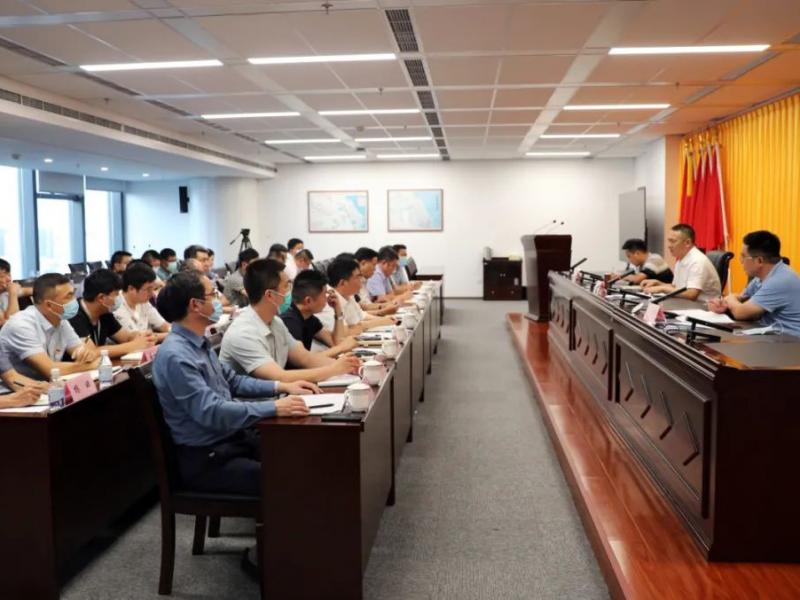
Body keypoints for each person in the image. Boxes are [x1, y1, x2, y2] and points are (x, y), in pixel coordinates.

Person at [152, 270, 315, 496]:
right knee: (291, 476)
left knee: (304, 453)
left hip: (232, 439)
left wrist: (281, 386)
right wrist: (274, 407)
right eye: (212, 294)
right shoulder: (176, 356)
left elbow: (233, 381)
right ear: (195, 305)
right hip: (208, 457)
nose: (218, 300)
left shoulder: (198, 342)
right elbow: (212, 411)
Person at [220, 259, 360, 383]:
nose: (290, 291)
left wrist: (348, 365)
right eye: (286, 286)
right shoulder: (243, 332)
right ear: (270, 295)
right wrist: (334, 369)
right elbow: (279, 377)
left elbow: (305, 359)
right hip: (254, 402)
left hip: (279, 396)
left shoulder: (276, 322)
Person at [0, 273, 99, 379]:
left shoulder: (61, 320)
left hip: (46, 384)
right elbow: (50, 370)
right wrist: (89, 365)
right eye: (69, 296)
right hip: (16, 387)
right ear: (49, 305)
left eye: (73, 294)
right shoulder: (21, 325)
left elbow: (84, 353)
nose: (75, 300)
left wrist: (87, 355)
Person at [708, 231, 800, 335]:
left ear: (759, 261)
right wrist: (722, 304)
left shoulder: (780, 281)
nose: (741, 261)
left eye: (743, 256)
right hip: (771, 333)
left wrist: (730, 298)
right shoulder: (762, 277)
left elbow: (740, 312)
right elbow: (742, 298)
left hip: (791, 340)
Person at [69, 269, 157, 357]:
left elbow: (125, 337)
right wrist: (133, 345)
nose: (119, 298)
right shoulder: (75, 315)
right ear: (101, 298)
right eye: (116, 294)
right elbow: (91, 351)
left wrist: (140, 336)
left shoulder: (105, 312)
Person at [280, 269, 356, 355]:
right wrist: (341, 348)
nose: (327, 299)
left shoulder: (309, 318)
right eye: (324, 295)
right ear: (308, 300)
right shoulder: (290, 322)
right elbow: (304, 360)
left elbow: (335, 342)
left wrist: (338, 311)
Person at [641, 224, 721, 302]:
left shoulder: (697, 261)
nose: (669, 245)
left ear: (687, 243)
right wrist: (659, 283)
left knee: (656, 305)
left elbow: (692, 294)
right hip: (686, 303)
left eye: (673, 241)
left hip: (702, 306)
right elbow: (677, 288)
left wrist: (663, 288)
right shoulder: (681, 259)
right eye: (669, 241)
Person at [326, 258, 396, 335]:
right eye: (358, 277)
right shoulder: (330, 300)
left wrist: (384, 319)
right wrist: (380, 322)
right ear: (343, 283)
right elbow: (347, 331)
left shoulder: (348, 294)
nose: (362, 280)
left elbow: (361, 316)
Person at [114, 263, 171, 341]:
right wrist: (172, 335)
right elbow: (139, 340)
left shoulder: (143, 302)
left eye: (153, 289)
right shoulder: (117, 307)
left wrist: (172, 331)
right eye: (148, 289)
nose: (152, 294)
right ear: (131, 289)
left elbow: (163, 325)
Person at [354, 247, 400, 315]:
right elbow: (360, 314)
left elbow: (365, 305)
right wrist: (382, 311)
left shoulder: (363, 280)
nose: (375, 269)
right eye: (374, 265)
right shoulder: (354, 282)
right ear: (363, 263)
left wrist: (384, 306)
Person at [0, 259, 21, 326]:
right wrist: (13, 293)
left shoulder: (4, 293)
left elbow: (31, 290)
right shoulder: (10, 292)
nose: (9, 279)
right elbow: (12, 323)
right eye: (2, 276)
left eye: (9, 275)